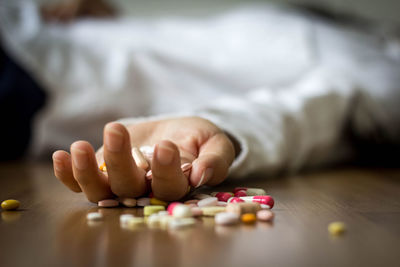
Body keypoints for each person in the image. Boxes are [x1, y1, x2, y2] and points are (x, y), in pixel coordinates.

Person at [1, 0, 399, 202]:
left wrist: (223, 130)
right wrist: (111, 23)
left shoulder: (387, 82)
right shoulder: (360, 34)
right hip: (37, 35)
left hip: (37, 86)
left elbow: (314, 114)